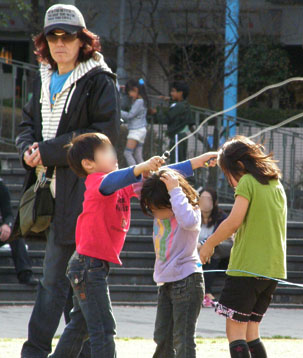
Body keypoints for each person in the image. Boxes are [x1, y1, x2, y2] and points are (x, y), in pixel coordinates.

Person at [13, 4, 121, 357]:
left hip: (85, 194)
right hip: (49, 191)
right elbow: (27, 122)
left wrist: (50, 150)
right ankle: (40, 351)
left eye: (68, 36)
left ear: (82, 41)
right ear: (44, 41)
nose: (60, 43)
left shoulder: (99, 79)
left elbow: (103, 135)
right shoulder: (41, 76)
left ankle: (50, 352)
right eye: (53, 36)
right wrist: (28, 147)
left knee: (74, 283)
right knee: (55, 282)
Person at [50, 132, 163, 357]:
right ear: (88, 164)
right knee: (103, 329)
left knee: (79, 328)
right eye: (105, 151)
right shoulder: (99, 182)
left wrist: (194, 164)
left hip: (89, 266)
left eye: (112, 148)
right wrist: (141, 167)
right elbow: (117, 179)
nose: (113, 154)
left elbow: (146, 181)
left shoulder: (118, 183)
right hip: (88, 267)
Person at [199, 136, 287, 358]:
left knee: (235, 330)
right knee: (251, 331)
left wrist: (209, 243)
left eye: (227, 173)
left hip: (247, 268)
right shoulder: (276, 184)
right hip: (271, 270)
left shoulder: (247, 182)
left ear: (238, 166)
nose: (229, 180)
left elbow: (233, 221)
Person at [140, 167, 209, 358]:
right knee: (162, 337)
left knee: (182, 339)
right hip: (167, 282)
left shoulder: (188, 210)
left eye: (159, 209)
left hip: (187, 280)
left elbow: (188, 222)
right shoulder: (159, 208)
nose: (156, 213)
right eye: (152, 209)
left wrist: (175, 190)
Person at [198, 188, 232, 307]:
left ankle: (206, 291)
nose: (205, 202)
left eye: (208, 199)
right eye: (202, 198)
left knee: (213, 250)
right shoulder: (194, 215)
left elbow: (219, 236)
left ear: (214, 202)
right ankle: (204, 292)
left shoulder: (221, 217)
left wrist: (203, 244)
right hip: (196, 251)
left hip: (218, 253)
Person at [0, 179, 38, 285]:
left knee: (15, 234)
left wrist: (7, 224)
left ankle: (25, 273)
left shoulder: (1, 187)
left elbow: (8, 214)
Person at [159, 81, 194, 163]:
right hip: (182, 135)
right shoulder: (184, 104)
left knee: (176, 162)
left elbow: (166, 119)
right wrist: (171, 100)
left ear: (180, 93)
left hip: (177, 136)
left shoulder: (179, 106)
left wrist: (158, 111)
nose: (171, 93)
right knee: (180, 160)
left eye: (173, 91)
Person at [121, 78, 149, 166]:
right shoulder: (143, 100)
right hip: (141, 130)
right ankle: (145, 176)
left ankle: (134, 175)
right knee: (138, 156)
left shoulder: (139, 101)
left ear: (136, 90)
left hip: (136, 130)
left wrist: (117, 111)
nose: (129, 95)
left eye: (130, 92)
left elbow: (130, 115)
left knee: (127, 153)